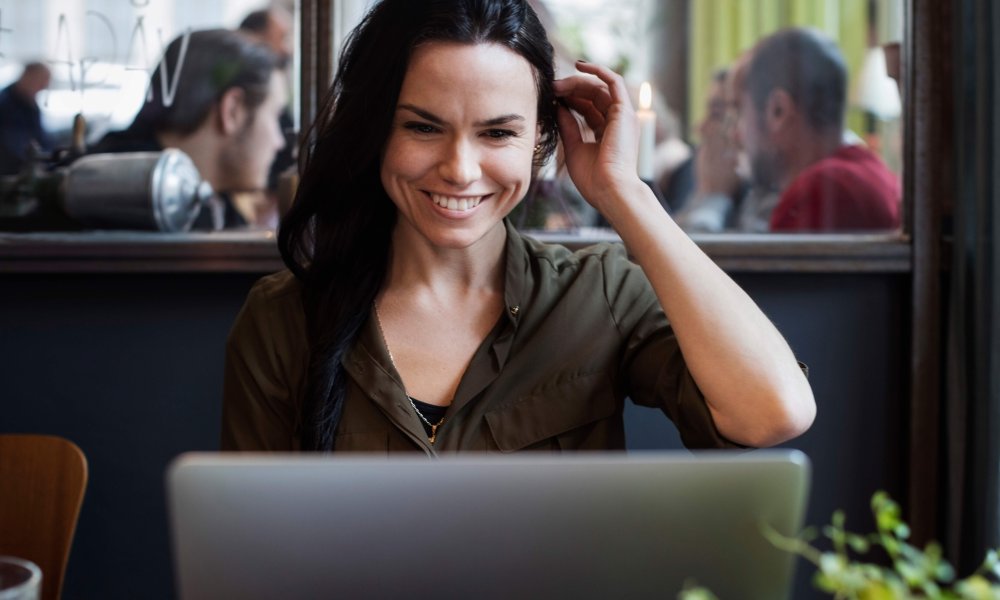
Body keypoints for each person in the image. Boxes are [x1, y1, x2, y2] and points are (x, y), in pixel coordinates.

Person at [221, 0, 815, 453]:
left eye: (497, 133)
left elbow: (773, 411)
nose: (459, 169)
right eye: (422, 128)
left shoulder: (598, 293)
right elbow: (245, 559)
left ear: (541, 141)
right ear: (376, 131)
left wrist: (626, 194)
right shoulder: (282, 319)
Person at [89, 29, 287, 229]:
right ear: (232, 110)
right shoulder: (111, 202)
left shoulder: (207, 207)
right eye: (274, 116)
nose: (279, 142)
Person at [735, 27, 901, 232]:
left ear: (778, 111)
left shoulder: (819, 193)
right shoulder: (869, 171)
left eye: (740, 113)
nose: (736, 134)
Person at [0, 62, 53, 176]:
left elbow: (40, 136)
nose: (43, 87)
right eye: (41, 81)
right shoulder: (5, 105)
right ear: (27, 76)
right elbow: (12, 144)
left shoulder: (30, 104)